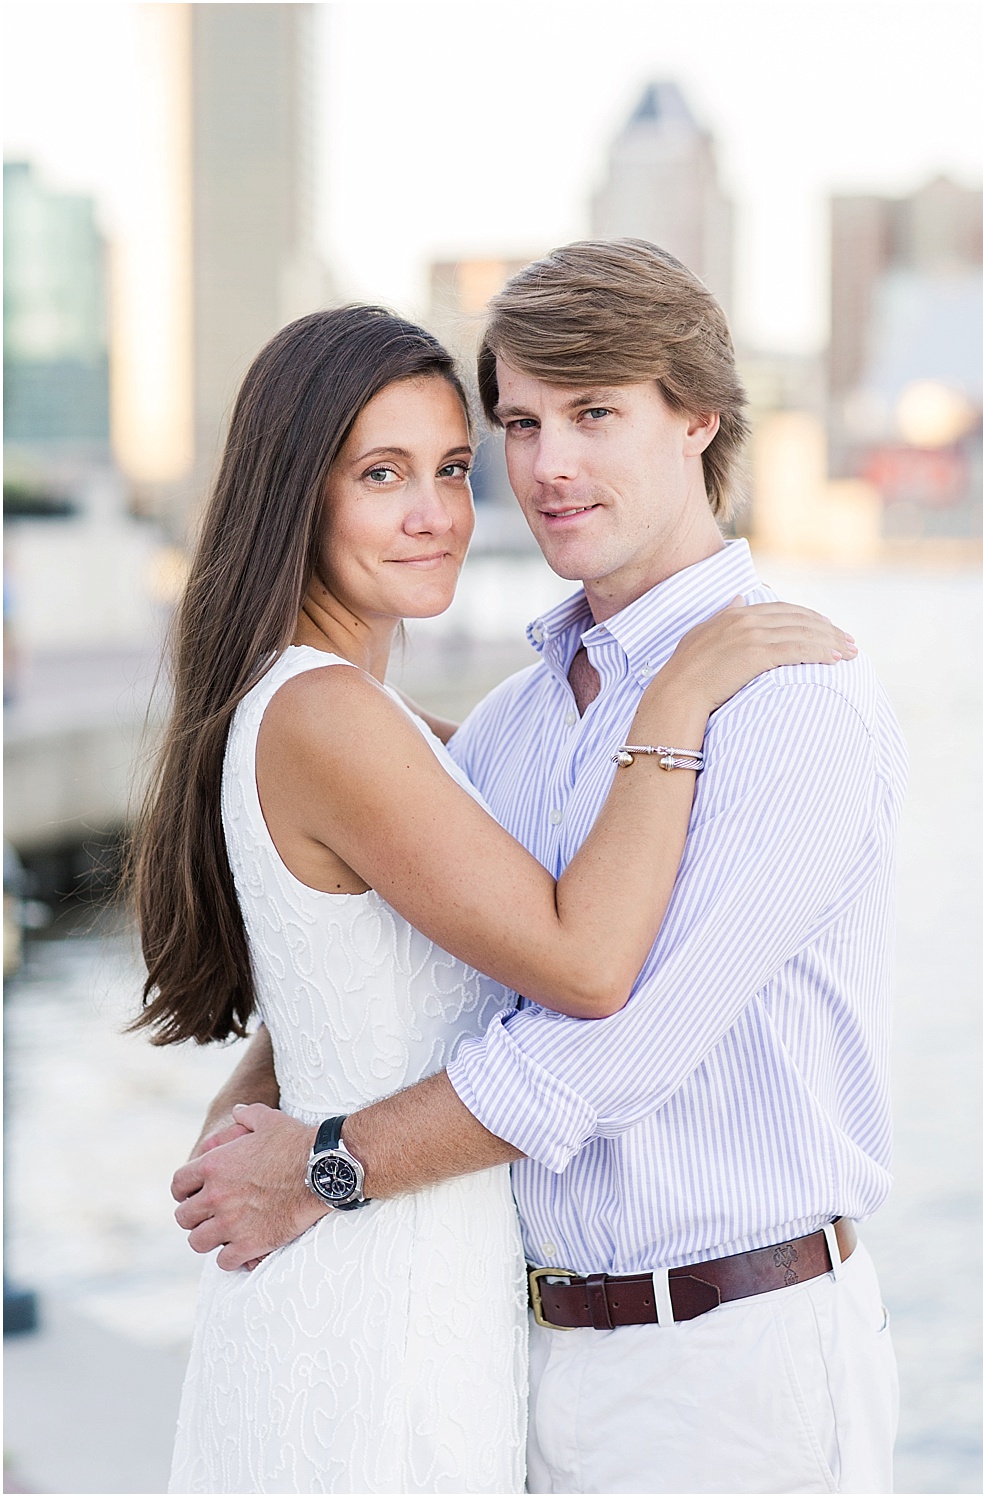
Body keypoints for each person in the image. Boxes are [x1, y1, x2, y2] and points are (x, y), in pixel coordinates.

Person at [169, 241, 906, 1495]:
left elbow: (607, 1045)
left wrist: (318, 1162)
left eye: (595, 413)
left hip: (729, 1368)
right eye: (518, 422)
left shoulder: (788, 700)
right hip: (520, 1357)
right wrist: (269, 1087)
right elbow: (393, 948)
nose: (548, 464)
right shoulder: (515, 722)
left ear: (699, 422)